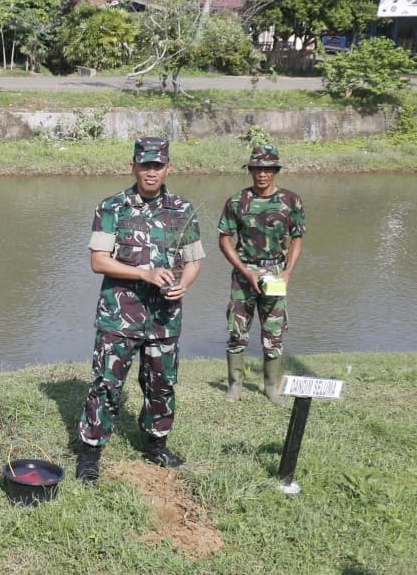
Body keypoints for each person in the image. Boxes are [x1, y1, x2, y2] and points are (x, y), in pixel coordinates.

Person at [75, 137, 205, 484]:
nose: (151, 172)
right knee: (106, 383)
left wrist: (185, 284)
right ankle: (90, 452)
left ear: (168, 168)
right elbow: (98, 261)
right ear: (133, 166)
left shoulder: (183, 209)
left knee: (161, 383)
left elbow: (194, 261)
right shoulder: (112, 207)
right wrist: (143, 274)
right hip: (120, 316)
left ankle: (156, 445)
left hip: (165, 317)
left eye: (157, 165)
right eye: (144, 165)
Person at [217, 143, 305, 405]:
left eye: (267, 169)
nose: (262, 174)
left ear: (275, 170)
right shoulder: (236, 201)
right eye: (257, 168)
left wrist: (288, 272)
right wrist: (245, 270)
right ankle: (235, 384)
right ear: (251, 170)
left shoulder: (291, 200)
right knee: (237, 331)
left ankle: (271, 387)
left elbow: (298, 237)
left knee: (273, 332)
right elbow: (224, 239)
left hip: (276, 273)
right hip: (244, 274)